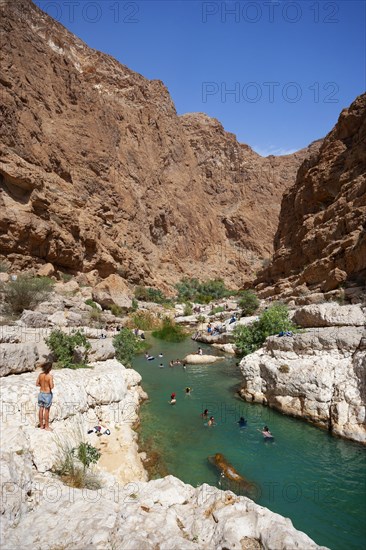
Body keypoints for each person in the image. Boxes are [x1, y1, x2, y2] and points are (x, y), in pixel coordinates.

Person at [36, 362, 54, 431]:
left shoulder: (40, 375)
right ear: (50, 368)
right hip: (47, 394)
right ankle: (46, 426)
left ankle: (41, 425)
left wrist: (42, 385)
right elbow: (51, 386)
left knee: (41, 409)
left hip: (41, 393)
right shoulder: (50, 376)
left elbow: (37, 384)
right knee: (47, 411)